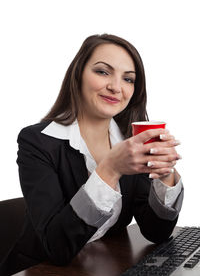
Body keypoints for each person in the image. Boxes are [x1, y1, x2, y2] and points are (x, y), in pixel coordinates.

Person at [0, 34, 183, 275]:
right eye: (103, 72)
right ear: (78, 75)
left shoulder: (128, 141)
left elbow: (156, 232)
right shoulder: (37, 141)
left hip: (100, 266)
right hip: (38, 270)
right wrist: (110, 169)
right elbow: (58, 247)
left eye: (128, 79)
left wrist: (164, 175)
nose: (116, 87)